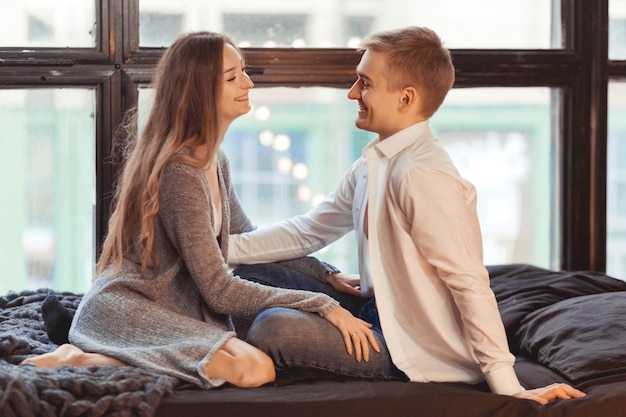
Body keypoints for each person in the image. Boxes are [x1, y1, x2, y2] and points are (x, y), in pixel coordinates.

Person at [227, 26, 586, 404]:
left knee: (275, 327)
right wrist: (213, 250)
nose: (352, 93)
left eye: (365, 84)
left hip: (408, 350)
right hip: (373, 308)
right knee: (255, 272)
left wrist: (508, 387)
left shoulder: (422, 175)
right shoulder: (374, 162)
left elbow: (469, 283)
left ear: (406, 98)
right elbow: (307, 232)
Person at [21, 31, 380, 389]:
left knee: (255, 367)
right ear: (199, 90)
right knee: (256, 370)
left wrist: (324, 273)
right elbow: (218, 289)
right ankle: (81, 356)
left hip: (169, 308)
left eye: (243, 70)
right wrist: (318, 302)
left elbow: (248, 240)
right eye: (232, 76)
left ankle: (96, 354)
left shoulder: (215, 159)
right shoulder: (181, 172)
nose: (248, 82)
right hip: (129, 308)